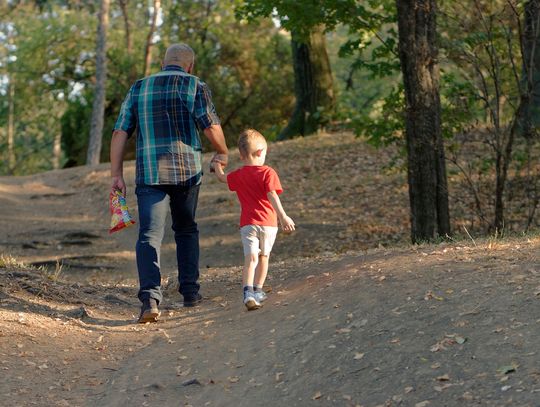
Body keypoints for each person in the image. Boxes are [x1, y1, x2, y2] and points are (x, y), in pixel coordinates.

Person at [110, 43, 228, 323]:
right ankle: (190, 292)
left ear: (163, 63)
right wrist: (222, 151)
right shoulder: (194, 85)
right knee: (186, 229)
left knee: (149, 235)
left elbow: (120, 131)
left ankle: (150, 299)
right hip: (187, 172)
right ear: (190, 65)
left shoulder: (139, 87)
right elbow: (210, 125)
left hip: (150, 174)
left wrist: (115, 174)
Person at [213, 129, 295, 310]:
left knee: (250, 258)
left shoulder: (238, 175)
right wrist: (283, 216)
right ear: (260, 152)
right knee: (264, 257)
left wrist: (218, 164)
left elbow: (222, 178)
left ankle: (247, 292)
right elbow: (272, 194)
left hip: (248, 224)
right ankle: (258, 290)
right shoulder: (268, 173)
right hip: (268, 224)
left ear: (241, 156)